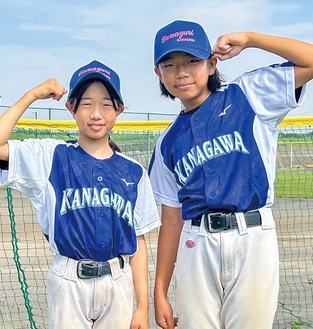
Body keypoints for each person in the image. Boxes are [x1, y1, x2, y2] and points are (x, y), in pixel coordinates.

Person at [148, 20, 313, 329]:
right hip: (195, 243)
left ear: (212, 64)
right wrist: (160, 290)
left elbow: (310, 59)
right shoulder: (167, 142)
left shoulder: (247, 94)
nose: (181, 71)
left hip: (251, 235)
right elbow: (171, 220)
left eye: (192, 61)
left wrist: (250, 38)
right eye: (169, 64)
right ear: (159, 73)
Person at [0, 59, 161, 329]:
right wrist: (32, 95)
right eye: (86, 103)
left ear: (118, 110)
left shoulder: (133, 171)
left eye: (105, 104)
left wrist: (143, 307)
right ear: (71, 108)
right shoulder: (52, 156)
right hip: (69, 280)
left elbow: (139, 242)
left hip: (117, 280)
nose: (96, 114)